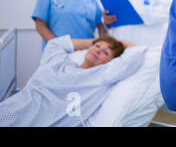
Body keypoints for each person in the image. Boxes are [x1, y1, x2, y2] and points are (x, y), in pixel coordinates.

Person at [0, 35, 145, 127]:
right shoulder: (59, 62)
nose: (98, 50)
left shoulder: (101, 77)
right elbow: (55, 44)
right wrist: (92, 41)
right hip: (16, 106)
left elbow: (134, 59)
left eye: (106, 52)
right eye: (97, 46)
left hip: (43, 120)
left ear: (110, 62)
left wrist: (127, 44)